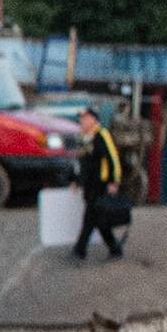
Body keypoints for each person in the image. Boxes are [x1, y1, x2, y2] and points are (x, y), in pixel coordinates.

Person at [71, 106, 124, 261]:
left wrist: (114, 181)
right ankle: (115, 248)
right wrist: (76, 180)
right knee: (99, 219)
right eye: (81, 118)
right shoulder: (83, 138)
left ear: (93, 119)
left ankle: (80, 250)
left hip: (100, 184)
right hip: (89, 184)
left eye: (85, 118)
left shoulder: (102, 135)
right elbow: (82, 163)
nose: (82, 121)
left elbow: (112, 158)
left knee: (90, 217)